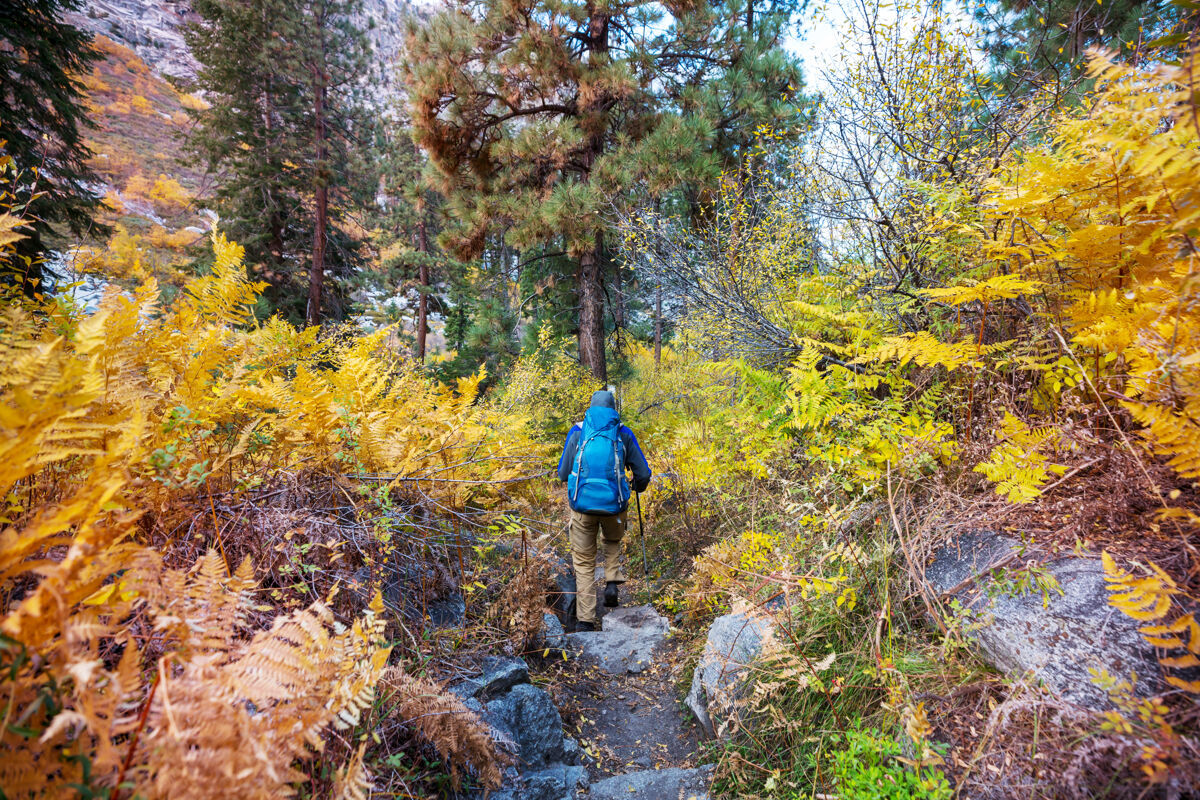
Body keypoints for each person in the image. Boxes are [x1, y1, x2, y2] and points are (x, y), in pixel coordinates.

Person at [556, 389, 651, 631]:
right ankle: (611, 583)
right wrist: (637, 485)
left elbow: (562, 473)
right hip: (614, 507)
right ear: (613, 409)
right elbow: (643, 473)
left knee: (584, 562)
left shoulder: (578, 431)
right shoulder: (622, 432)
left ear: (590, 408)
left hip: (582, 508)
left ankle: (585, 621)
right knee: (611, 541)